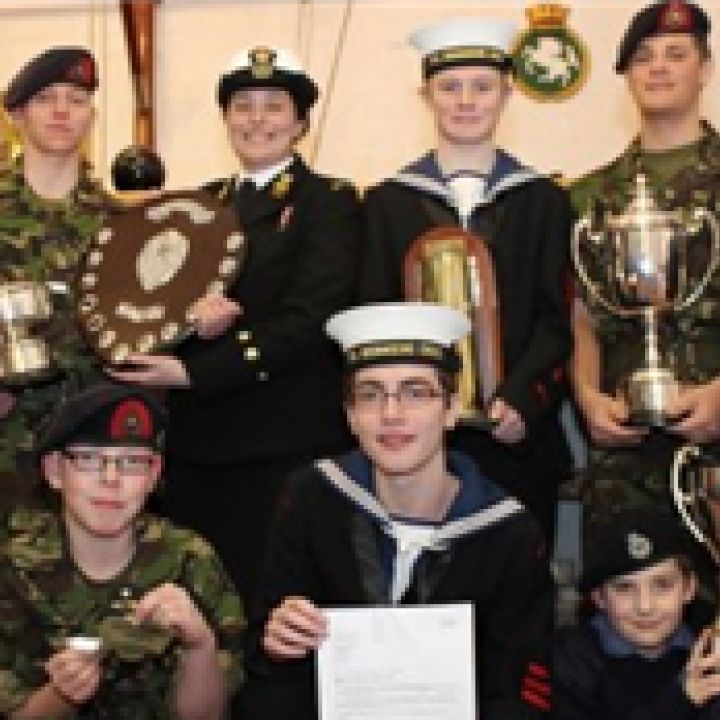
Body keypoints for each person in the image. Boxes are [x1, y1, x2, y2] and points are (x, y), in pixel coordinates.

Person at [110, 46, 360, 604]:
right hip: (198, 443)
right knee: (196, 606)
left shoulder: (328, 203)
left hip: (281, 441)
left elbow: (313, 320)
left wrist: (194, 372)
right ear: (225, 119)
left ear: (300, 124)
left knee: (276, 607)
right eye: (243, 106)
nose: (257, 120)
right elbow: (155, 302)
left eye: (274, 107)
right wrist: (176, 331)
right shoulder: (199, 205)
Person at [239, 302, 553, 719]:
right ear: (350, 415)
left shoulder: (507, 533)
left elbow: (522, 695)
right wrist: (277, 645)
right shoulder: (314, 498)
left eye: (415, 392)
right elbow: (263, 668)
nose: (391, 414)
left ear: (452, 408)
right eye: (370, 395)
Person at [360, 18, 572, 540]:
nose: (466, 101)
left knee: (515, 575)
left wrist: (524, 399)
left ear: (507, 94)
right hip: (416, 445)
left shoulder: (544, 201)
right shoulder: (387, 204)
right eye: (449, 87)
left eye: (482, 87)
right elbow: (374, 318)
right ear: (425, 96)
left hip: (516, 438)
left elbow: (558, 320)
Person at [0, 382, 244, 719]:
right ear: (55, 471)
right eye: (89, 459)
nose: (111, 478)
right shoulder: (14, 566)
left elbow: (207, 716)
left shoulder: (189, 559)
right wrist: (62, 695)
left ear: (153, 474)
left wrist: (199, 645)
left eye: (132, 462)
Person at [571, 0, 720, 521]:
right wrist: (588, 398)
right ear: (628, 77)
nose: (658, 67)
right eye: (643, 57)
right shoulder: (590, 196)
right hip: (625, 451)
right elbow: (583, 317)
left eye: (676, 54)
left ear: (705, 70)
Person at [0, 47, 111, 505]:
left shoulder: (122, 223)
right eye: (46, 98)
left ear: (91, 116)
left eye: (77, 99)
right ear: (17, 116)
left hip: (95, 443)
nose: (62, 111)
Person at [554, 509, 720, 719]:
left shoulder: (709, 648)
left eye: (662, 585)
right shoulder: (573, 661)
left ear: (689, 589)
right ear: (599, 597)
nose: (645, 607)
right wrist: (681, 700)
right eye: (624, 588)